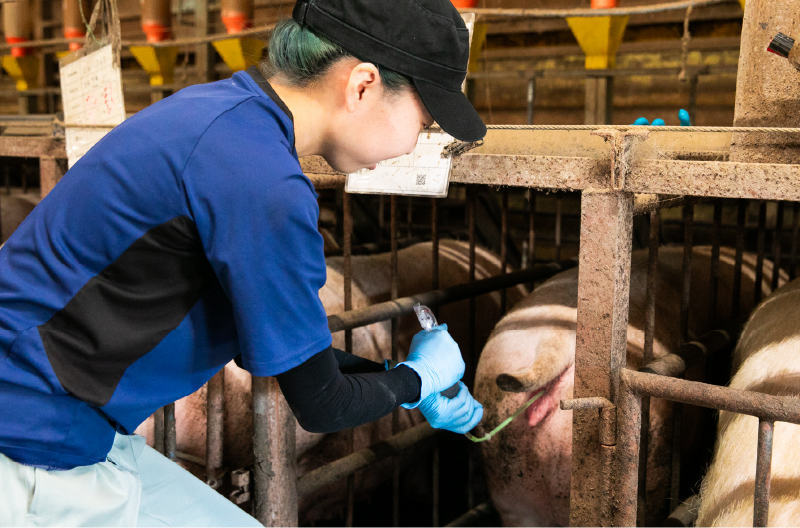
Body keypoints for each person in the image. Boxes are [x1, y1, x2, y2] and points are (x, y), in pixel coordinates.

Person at [0, 0, 485, 525]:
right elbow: (321, 404)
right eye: (423, 119)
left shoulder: (218, 114)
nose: (415, 142)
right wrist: (416, 381)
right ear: (362, 85)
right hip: (32, 442)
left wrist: (403, 379)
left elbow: (299, 361)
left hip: (57, 414)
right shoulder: (264, 183)